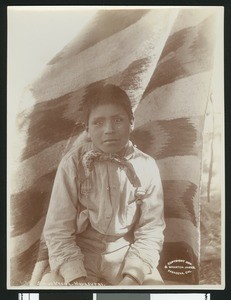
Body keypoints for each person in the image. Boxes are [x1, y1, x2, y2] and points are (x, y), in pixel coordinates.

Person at [40, 83, 165, 286]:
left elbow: (151, 230)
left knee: (156, 290)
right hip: (80, 253)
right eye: (98, 122)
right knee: (50, 286)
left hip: (125, 254)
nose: (109, 130)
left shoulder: (147, 166)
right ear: (87, 129)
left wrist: (132, 277)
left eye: (117, 120)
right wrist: (76, 277)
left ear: (131, 122)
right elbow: (57, 229)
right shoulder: (73, 163)